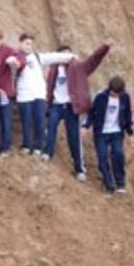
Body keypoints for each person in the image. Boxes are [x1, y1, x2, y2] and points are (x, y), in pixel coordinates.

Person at [43, 42, 112, 181]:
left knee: (74, 138)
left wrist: (104, 48)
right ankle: (47, 153)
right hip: (56, 105)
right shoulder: (52, 70)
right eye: (63, 54)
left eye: (69, 53)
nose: (67, 57)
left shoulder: (78, 68)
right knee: (50, 128)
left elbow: (93, 60)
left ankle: (80, 169)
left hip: (71, 106)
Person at [15, 34, 74, 157]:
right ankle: (26, 145)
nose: (28, 46)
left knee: (40, 122)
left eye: (30, 44)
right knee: (26, 122)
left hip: (39, 95)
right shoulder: (16, 57)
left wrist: (71, 56)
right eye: (26, 43)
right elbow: (11, 66)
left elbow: (54, 57)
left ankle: (37, 147)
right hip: (24, 95)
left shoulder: (37, 57)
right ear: (20, 43)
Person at [83, 76, 134, 195]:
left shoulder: (125, 97)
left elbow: (128, 116)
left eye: (117, 94)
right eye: (112, 93)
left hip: (116, 132)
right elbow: (91, 113)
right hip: (101, 133)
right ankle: (109, 185)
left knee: (118, 155)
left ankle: (120, 183)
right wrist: (85, 126)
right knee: (102, 160)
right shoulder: (100, 96)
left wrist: (131, 134)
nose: (114, 96)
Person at [0, 28, 24, 157]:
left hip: (5, 93)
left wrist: (17, 63)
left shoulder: (8, 50)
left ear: (1, 39)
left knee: (6, 121)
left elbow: (20, 58)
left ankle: (6, 147)